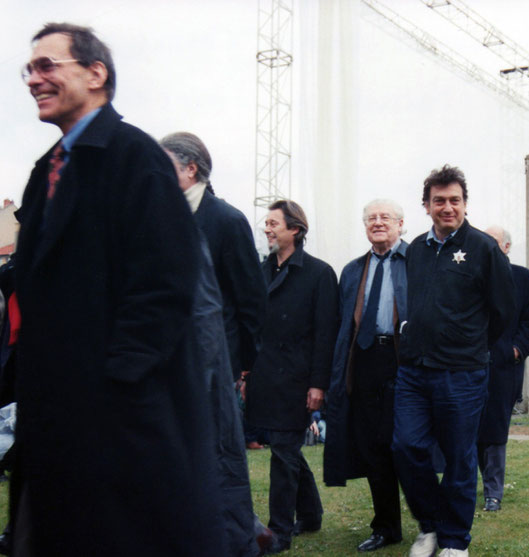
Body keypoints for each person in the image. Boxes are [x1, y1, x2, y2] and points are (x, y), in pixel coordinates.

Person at [13, 23, 223, 556]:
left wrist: (118, 383)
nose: (34, 79)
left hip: (119, 416)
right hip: (60, 417)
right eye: (28, 70)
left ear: (96, 73)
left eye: (47, 66)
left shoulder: (136, 159)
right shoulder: (48, 171)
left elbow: (165, 284)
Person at [392, 165, 515, 557]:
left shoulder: (483, 248)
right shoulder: (416, 249)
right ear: (426, 206)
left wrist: (470, 345)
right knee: (405, 447)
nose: (448, 208)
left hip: (462, 373)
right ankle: (429, 526)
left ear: (465, 203)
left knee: (460, 458)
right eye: (439, 201)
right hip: (414, 370)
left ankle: (454, 541)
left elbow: (503, 311)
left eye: (455, 201)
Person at [160, 132, 270, 557]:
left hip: (214, 363)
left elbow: (251, 301)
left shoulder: (226, 219)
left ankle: (241, 538)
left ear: (190, 169)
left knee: (219, 457)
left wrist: (244, 367)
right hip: (169, 362)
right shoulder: (162, 217)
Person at [245, 200, 339, 554]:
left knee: (283, 453)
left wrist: (319, 384)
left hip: (299, 379)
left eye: (273, 223)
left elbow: (325, 334)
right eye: (265, 223)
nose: (267, 229)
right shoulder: (261, 269)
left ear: (295, 230)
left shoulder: (319, 273)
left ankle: (279, 531)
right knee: (287, 450)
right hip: (266, 375)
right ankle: (311, 514)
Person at [324, 199, 408, 552]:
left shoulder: (416, 262)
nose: (377, 222)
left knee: (409, 446)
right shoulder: (353, 270)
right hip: (364, 363)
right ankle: (386, 527)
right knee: (374, 448)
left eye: (385, 217)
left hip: (404, 360)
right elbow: (342, 325)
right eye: (371, 218)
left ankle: (434, 523)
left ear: (401, 224)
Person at [477, 226, 529, 512]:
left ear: (505, 246)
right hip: (467, 364)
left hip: (503, 367)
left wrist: (514, 349)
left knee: (494, 429)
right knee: (467, 427)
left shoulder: (524, 278)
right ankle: (467, 487)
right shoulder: (471, 276)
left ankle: (493, 492)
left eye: (492, 242)